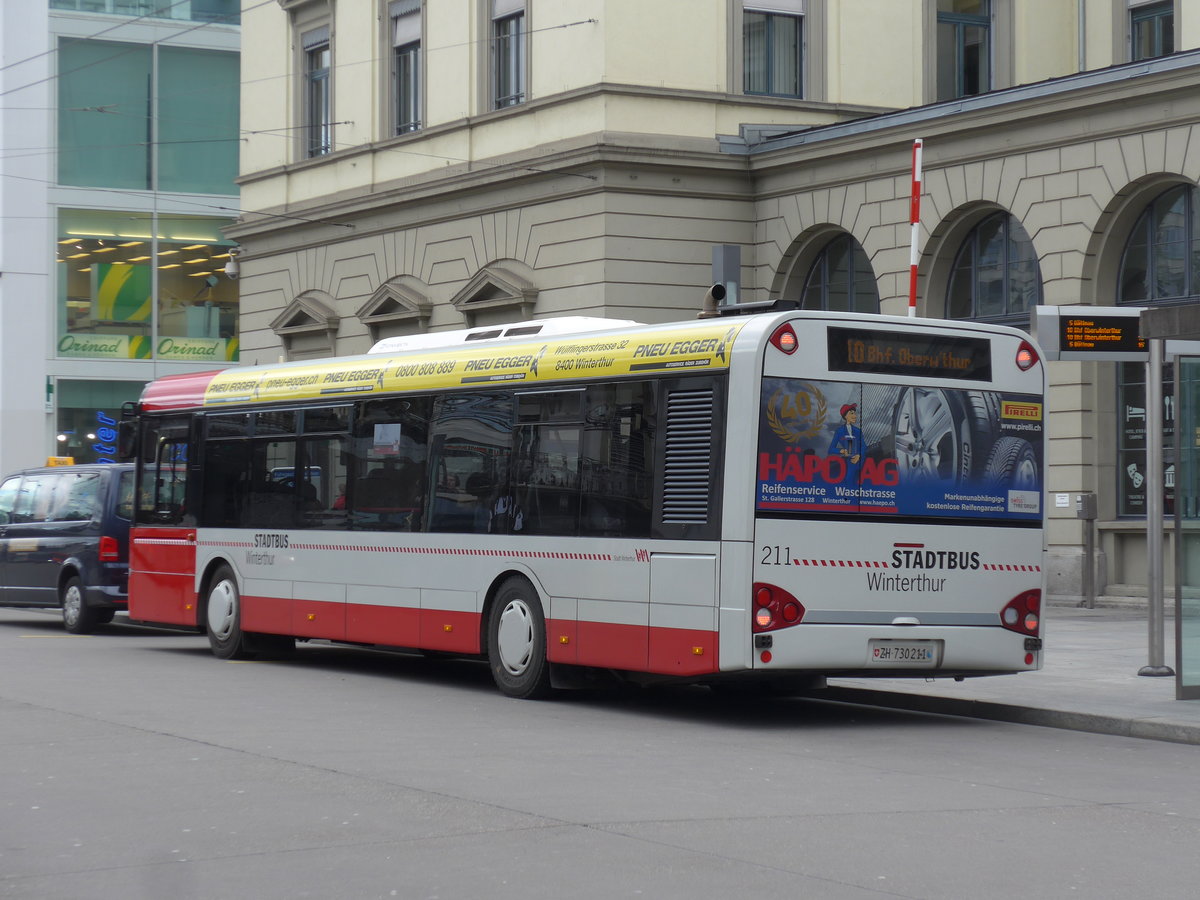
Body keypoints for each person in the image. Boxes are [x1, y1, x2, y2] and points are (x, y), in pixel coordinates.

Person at [828, 402, 864, 484]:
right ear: (845, 416)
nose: (855, 416)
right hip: (848, 462)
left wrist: (859, 455)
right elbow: (831, 449)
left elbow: (863, 446)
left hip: (861, 461)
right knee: (849, 480)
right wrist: (842, 451)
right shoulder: (839, 431)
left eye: (855, 413)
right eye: (852, 413)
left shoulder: (858, 431)